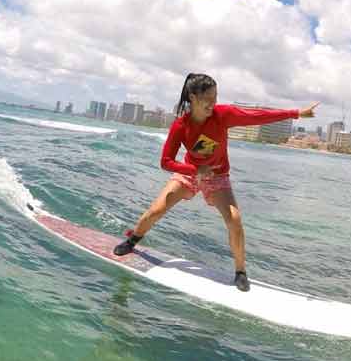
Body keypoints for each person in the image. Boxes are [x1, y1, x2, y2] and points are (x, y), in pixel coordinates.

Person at [114, 72, 319, 292]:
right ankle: (133, 240)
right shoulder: (180, 125)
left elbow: (257, 116)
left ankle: (240, 272)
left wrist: (296, 113)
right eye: (208, 99)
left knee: (235, 220)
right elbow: (165, 162)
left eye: (215, 98)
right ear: (193, 97)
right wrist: (194, 169)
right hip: (189, 174)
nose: (213, 103)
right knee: (155, 211)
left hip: (218, 177)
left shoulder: (223, 115)